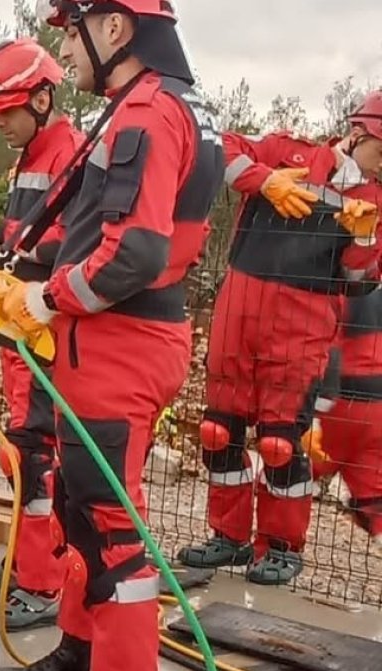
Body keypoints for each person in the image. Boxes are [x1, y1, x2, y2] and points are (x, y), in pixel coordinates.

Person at [0, 2, 226, 671]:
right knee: (80, 509)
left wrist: (48, 299)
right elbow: (108, 233)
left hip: (120, 343)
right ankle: (79, 658)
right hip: (114, 339)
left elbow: (136, 253)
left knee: (112, 530)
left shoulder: (148, 112)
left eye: (71, 29)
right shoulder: (170, 106)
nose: (66, 46)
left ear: (115, 28)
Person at [178, 91, 382, 585]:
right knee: (218, 432)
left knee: (280, 441)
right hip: (239, 307)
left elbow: (361, 283)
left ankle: (282, 547)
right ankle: (228, 538)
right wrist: (263, 179)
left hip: (303, 324)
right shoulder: (287, 152)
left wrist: (364, 239)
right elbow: (217, 149)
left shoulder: (375, 202)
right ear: (358, 133)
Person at [0, 36, 84, 633]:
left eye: (4, 111)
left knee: (33, 455)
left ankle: (43, 579)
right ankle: (28, 560)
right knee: (21, 451)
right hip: (18, 321)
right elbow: (26, 233)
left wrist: (19, 267)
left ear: (40, 98)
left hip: (43, 323)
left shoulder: (70, 155)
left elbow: (72, 247)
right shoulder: (35, 154)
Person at [306, 288, 382, 546]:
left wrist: (317, 410)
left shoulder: (343, 293)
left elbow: (331, 350)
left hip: (344, 405)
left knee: (290, 468)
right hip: (378, 410)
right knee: (372, 498)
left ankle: (276, 550)